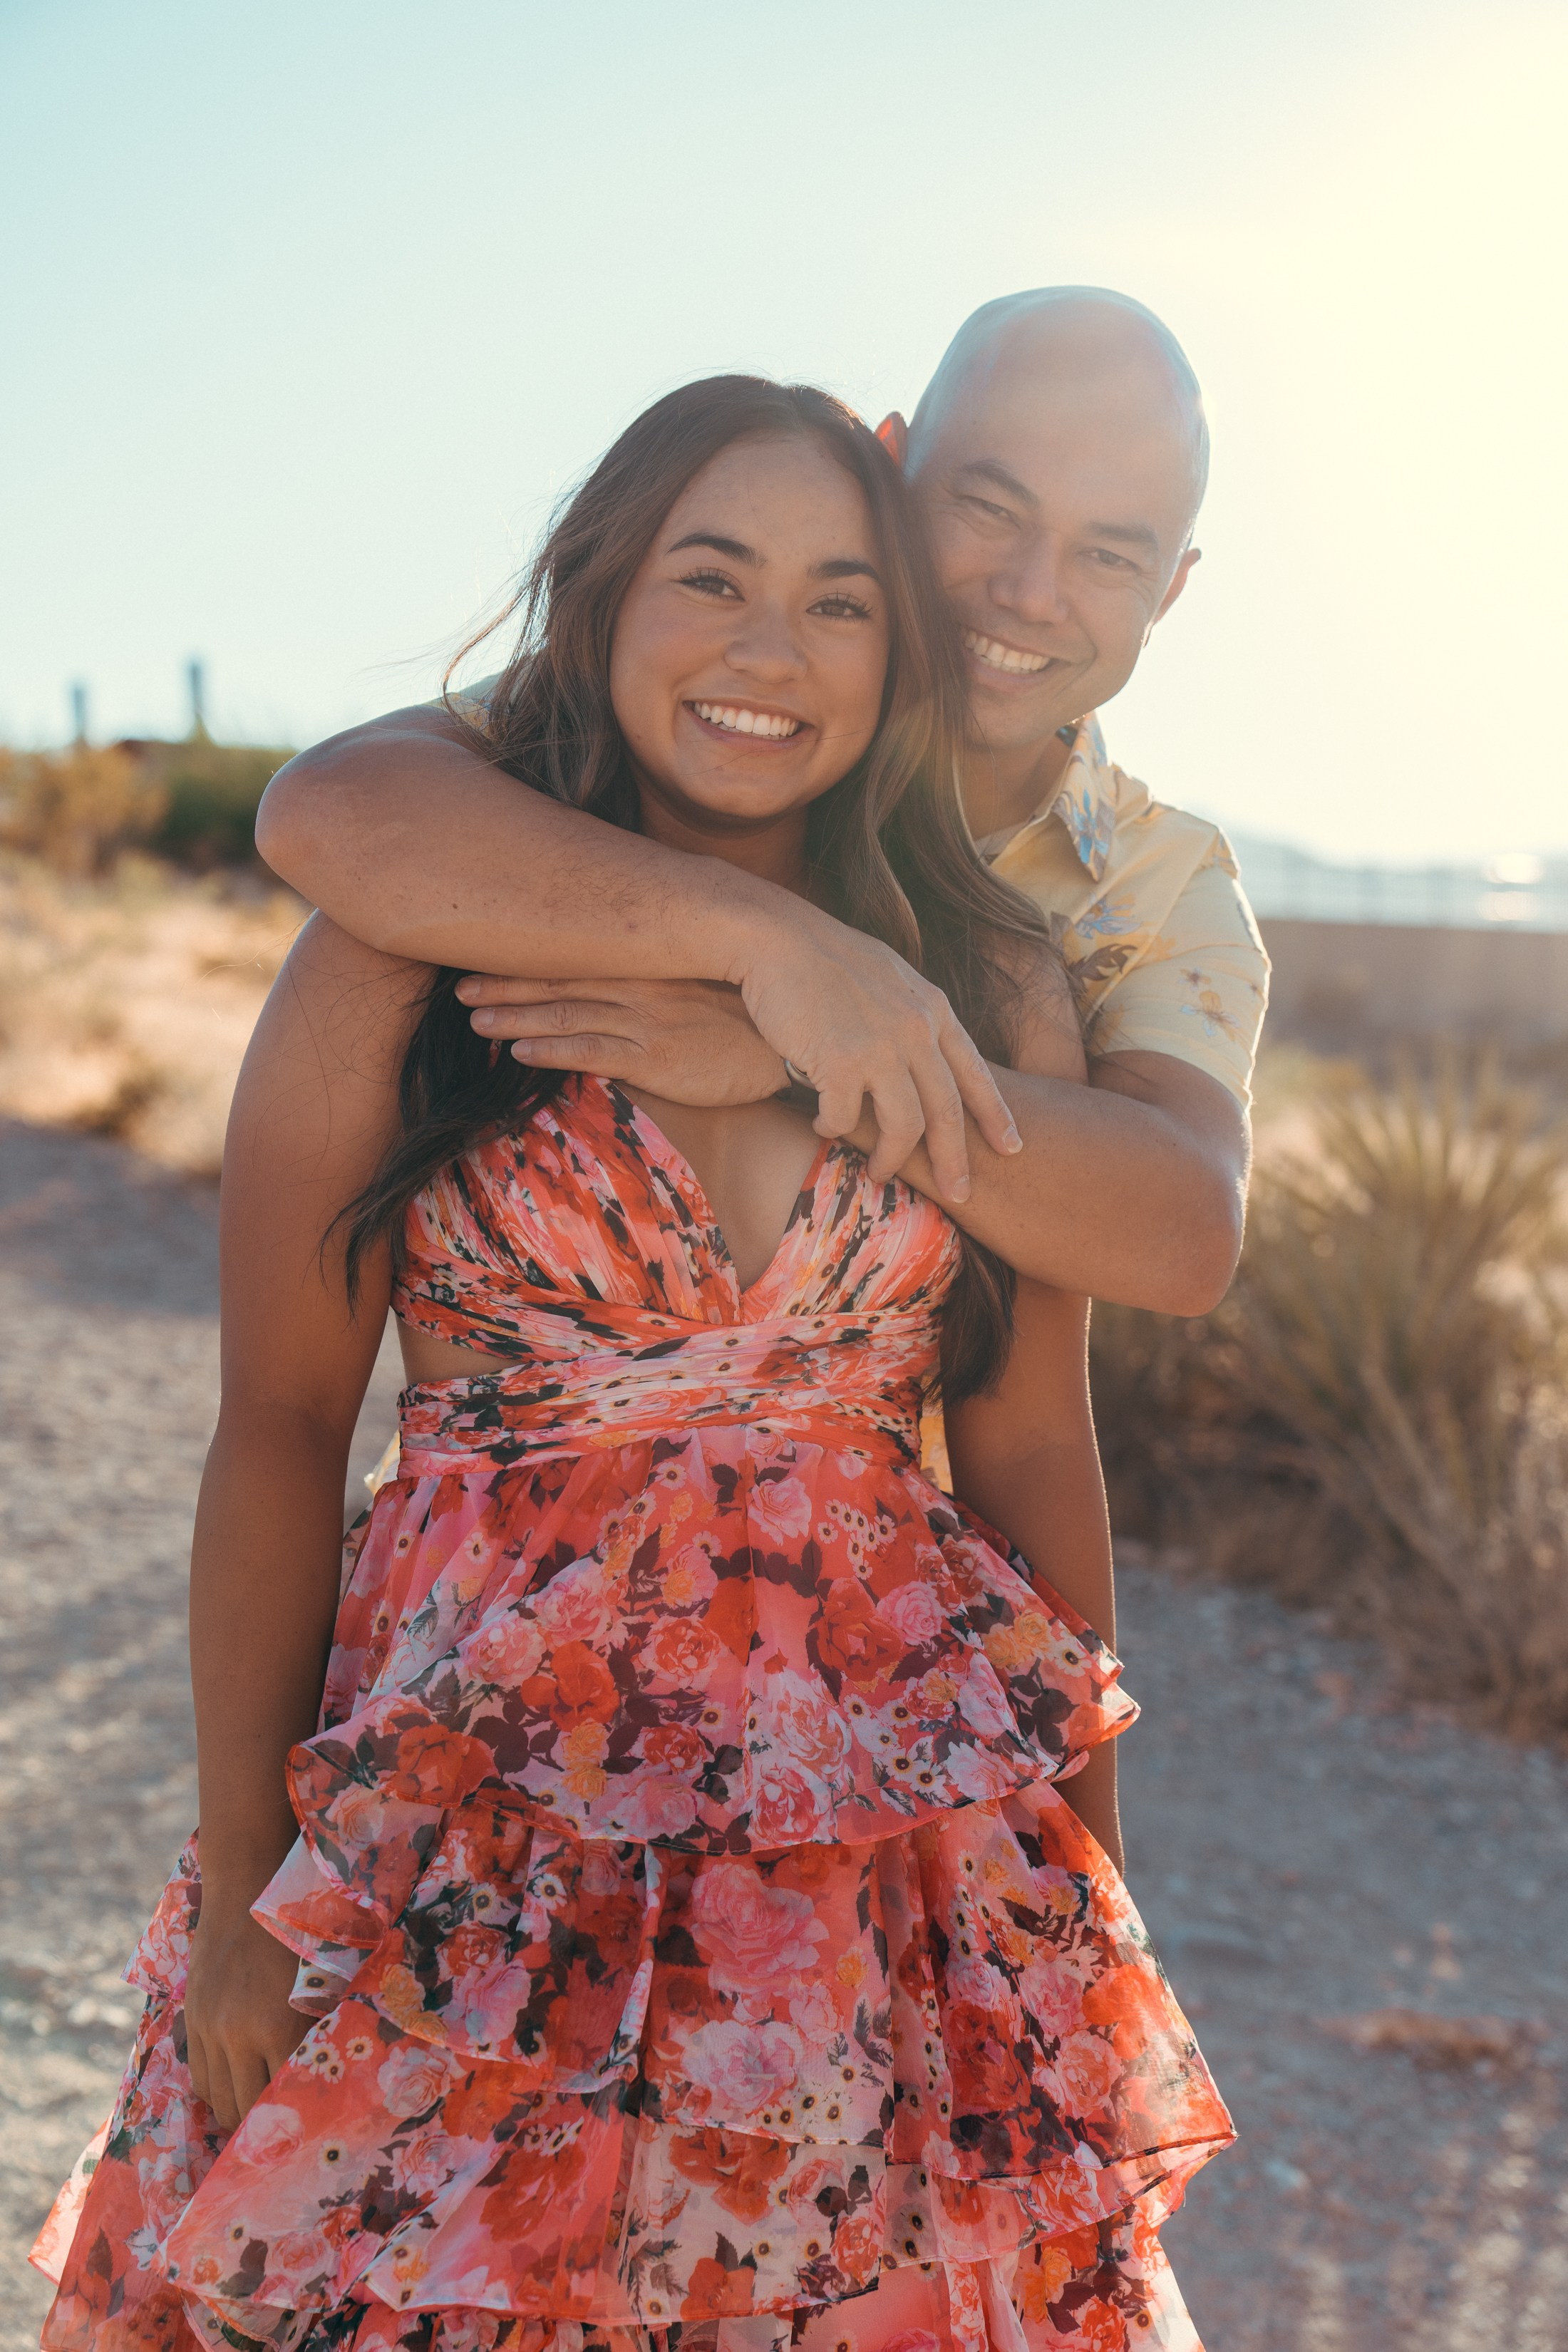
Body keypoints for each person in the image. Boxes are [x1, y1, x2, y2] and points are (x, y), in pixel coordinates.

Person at [34, 378, 1230, 2352]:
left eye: (840, 602)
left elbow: (1032, 1450)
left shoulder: (988, 982)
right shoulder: (404, 954)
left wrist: (1076, 1902)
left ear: (899, 654)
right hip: (478, 1864)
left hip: (869, 1883)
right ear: (597, 599)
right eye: (711, 577)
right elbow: (279, 1426)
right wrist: (245, 1874)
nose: (770, 650)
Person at [254, 287, 1269, 1321]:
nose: (1030, 592)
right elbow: (330, 810)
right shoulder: (727, 709)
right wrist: (775, 945)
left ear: (1171, 591)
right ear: (891, 466)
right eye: (990, 510)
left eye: (1110, 556)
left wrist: (800, 1052)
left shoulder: (1166, 887)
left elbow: (1187, 1234)